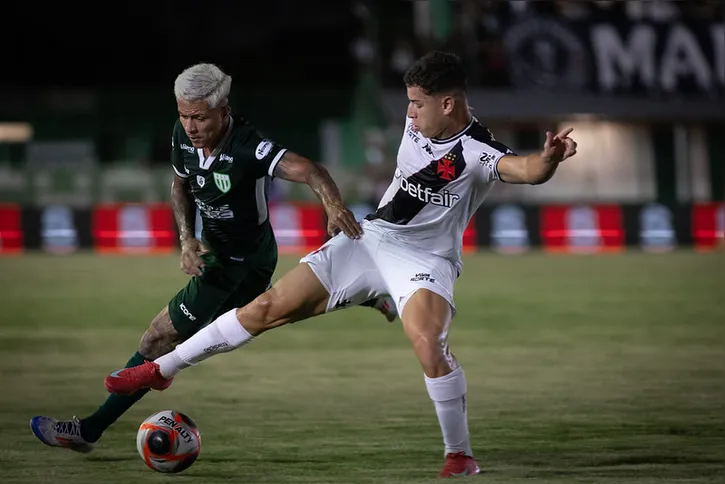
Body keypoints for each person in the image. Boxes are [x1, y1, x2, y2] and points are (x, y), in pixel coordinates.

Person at [104, 51, 578, 477]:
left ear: (448, 104)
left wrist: (549, 160)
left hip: (425, 260)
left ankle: (460, 456)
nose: (410, 114)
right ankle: (162, 368)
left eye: (417, 104)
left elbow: (526, 170)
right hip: (369, 239)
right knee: (266, 308)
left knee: (428, 346)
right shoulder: (419, 125)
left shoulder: (476, 151)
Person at [29, 63, 396, 453]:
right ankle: (362, 294)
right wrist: (187, 240)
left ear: (223, 111)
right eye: (184, 115)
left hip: (234, 261)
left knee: (158, 338)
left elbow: (310, 170)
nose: (190, 126)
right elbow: (181, 184)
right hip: (237, 254)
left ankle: (88, 430)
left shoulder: (248, 145)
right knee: (262, 316)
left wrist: (334, 205)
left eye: (199, 117)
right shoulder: (182, 136)